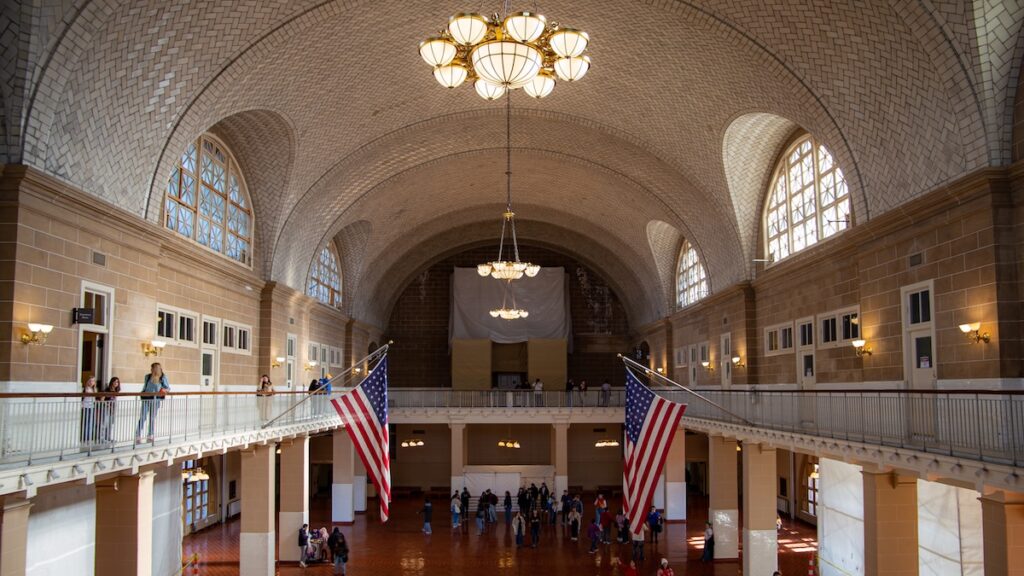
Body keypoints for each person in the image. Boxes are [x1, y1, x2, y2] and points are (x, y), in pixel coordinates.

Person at [136, 362, 169, 443]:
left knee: (152, 418)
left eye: (152, 368)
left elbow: (167, 388)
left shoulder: (163, 377)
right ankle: (137, 434)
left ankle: (150, 434)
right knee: (143, 417)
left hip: (156, 400)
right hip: (146, 399)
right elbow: (145, 387)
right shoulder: (147, 376)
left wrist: (163, 390)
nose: (151, 369)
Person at [98, 376, 120, 443]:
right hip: (106, 408)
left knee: (110, 424)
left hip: (112, 409)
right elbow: (102, 399)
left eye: (117, 382)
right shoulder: (107, 390)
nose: (116, 383)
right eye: (115, 381)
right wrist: (107, 405)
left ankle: (108, 437)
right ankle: (102, 438)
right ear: (112, 382)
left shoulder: (116, 391)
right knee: (104, 423)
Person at [81, 377, 97, 445]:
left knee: (91, 423)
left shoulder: (94, 389)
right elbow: (83, 398)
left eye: (93, 381)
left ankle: (89, 438)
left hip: (92, 407)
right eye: (90, 381)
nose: (91, 382)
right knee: (86, 423)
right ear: (88, 381)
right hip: (86, 406)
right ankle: (85, 439)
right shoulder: (85, 389)